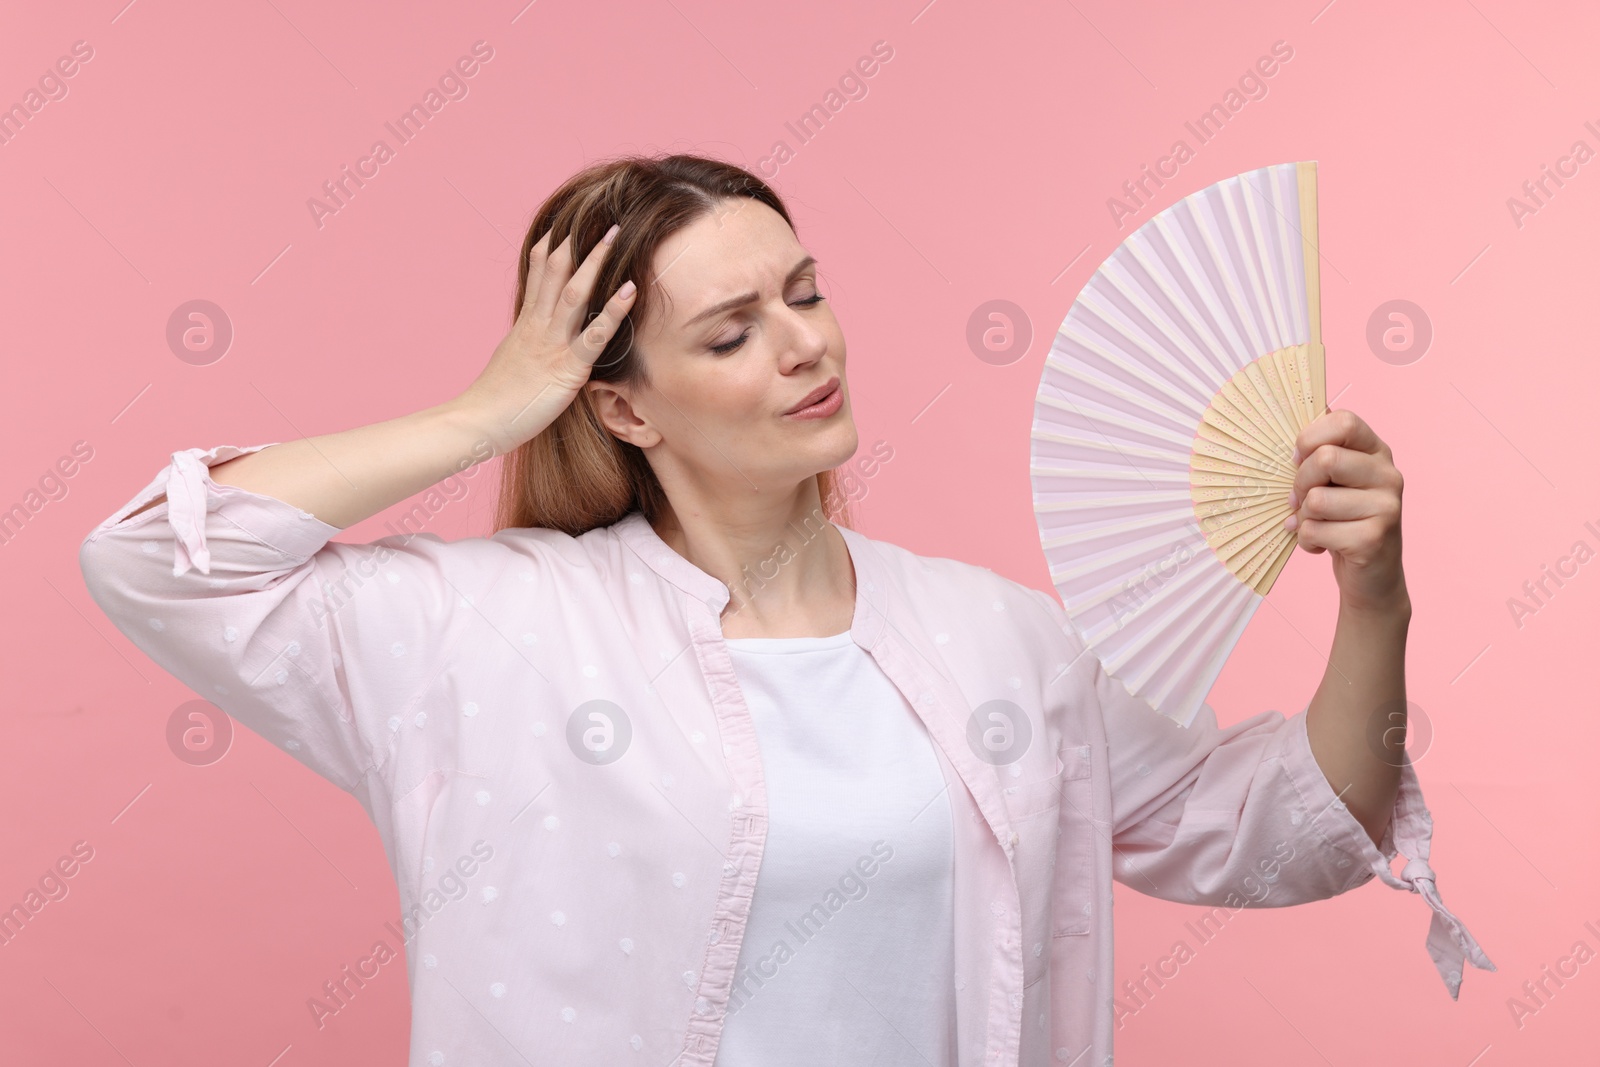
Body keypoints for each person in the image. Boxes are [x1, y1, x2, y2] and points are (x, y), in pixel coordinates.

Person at [79, 153, 1491, 1067]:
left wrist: (1376, 597)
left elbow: (1281, 835)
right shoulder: (489, 634)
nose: (806, 343)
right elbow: (155, 558)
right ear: (621, 402)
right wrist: (482, 413)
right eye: (732, 330)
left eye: (805, 293)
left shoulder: (994, 641)